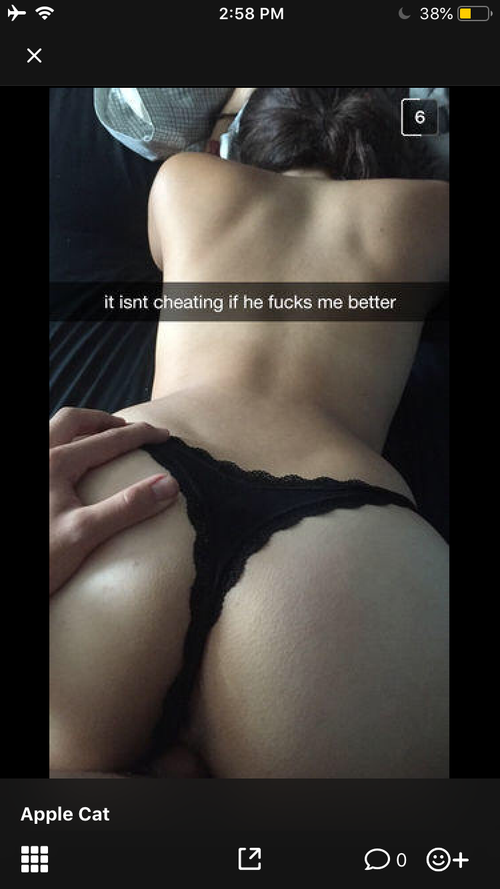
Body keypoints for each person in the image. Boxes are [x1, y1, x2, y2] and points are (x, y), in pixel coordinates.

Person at [50, 88, 449, 779]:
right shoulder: (435, 211)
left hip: (141, 472)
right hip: (345, 529)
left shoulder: (185, 178)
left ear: (236, 141)